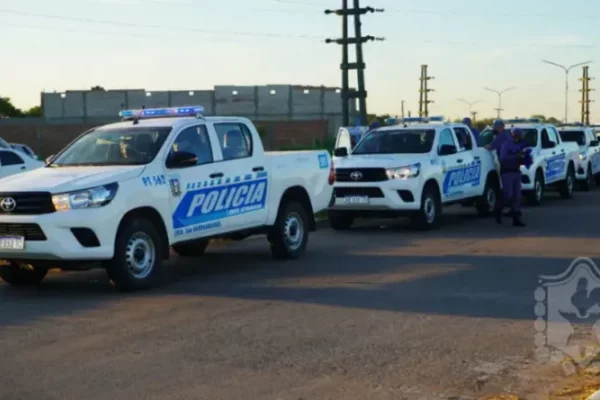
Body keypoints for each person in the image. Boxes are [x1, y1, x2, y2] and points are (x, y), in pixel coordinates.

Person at [495, 127, 528, 227]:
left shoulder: (518, 145)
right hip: (507, 172)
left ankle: (516, 219)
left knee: (517, 196)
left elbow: (521, 158)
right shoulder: (506, 144)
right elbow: (503, 158)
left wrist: (524, 158)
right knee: (508, 195)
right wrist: (516, 156)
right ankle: (498, 210)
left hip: (516, 171)